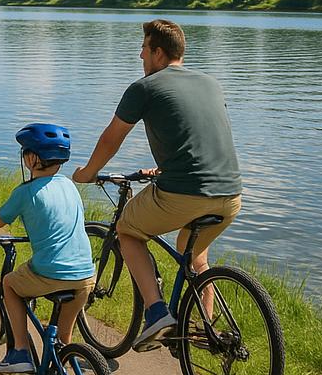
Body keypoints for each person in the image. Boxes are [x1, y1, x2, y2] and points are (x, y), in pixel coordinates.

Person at [72, 19, 242, 350]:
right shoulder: (210, 83)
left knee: (127, 232)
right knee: (195, 257)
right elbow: (198, 136)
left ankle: (157, 312)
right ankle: (200, 331)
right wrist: (167, 168)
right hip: (231, 194)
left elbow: (111, 139)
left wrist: (88, 172)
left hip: (185, 194)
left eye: (144, 49)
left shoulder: (144, 88)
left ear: (158, 53)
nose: (140, 56)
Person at [0, 124, 93, 375]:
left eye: (24, 153)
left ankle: (20, 351)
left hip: (51, 272)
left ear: (32, 158)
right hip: (85, 275)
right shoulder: (70, 186)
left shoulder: (26, 192)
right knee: (63, 340)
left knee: (9, 284)